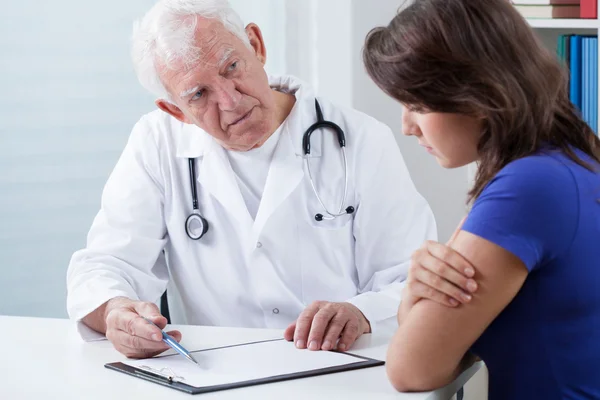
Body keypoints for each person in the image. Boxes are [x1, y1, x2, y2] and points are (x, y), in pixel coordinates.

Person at [65, 0, 459, 360]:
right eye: (199, 94)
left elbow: (410, 279)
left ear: (256, 45)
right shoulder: (157, 143)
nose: (230, 100)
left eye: (232, 67)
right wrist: (116, 311)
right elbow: (105, 263)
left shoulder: (360, 139)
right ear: (175, 109)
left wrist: (361, 313)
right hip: (219, 374)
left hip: (340, 369)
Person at [363, 0, 600, 398]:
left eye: (417, 104)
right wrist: (414, 294)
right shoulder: (573, 158)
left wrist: (415, 295)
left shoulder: (526, 188)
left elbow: (411, 369)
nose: (407, 127)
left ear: (473, 89)